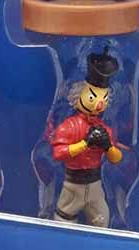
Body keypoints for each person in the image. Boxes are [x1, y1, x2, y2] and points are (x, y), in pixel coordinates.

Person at [51, 49, 123, 227]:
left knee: (101, 218)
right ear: (78, 96)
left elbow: (116, 158)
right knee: (63, 219)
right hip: (72, 185)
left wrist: (108, 147)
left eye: (103, 97)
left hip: (95, 184)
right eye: (92, 97)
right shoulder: (69, 126)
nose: (99, 103)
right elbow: (58, 153)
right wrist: (85, 144)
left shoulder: (104, 129)